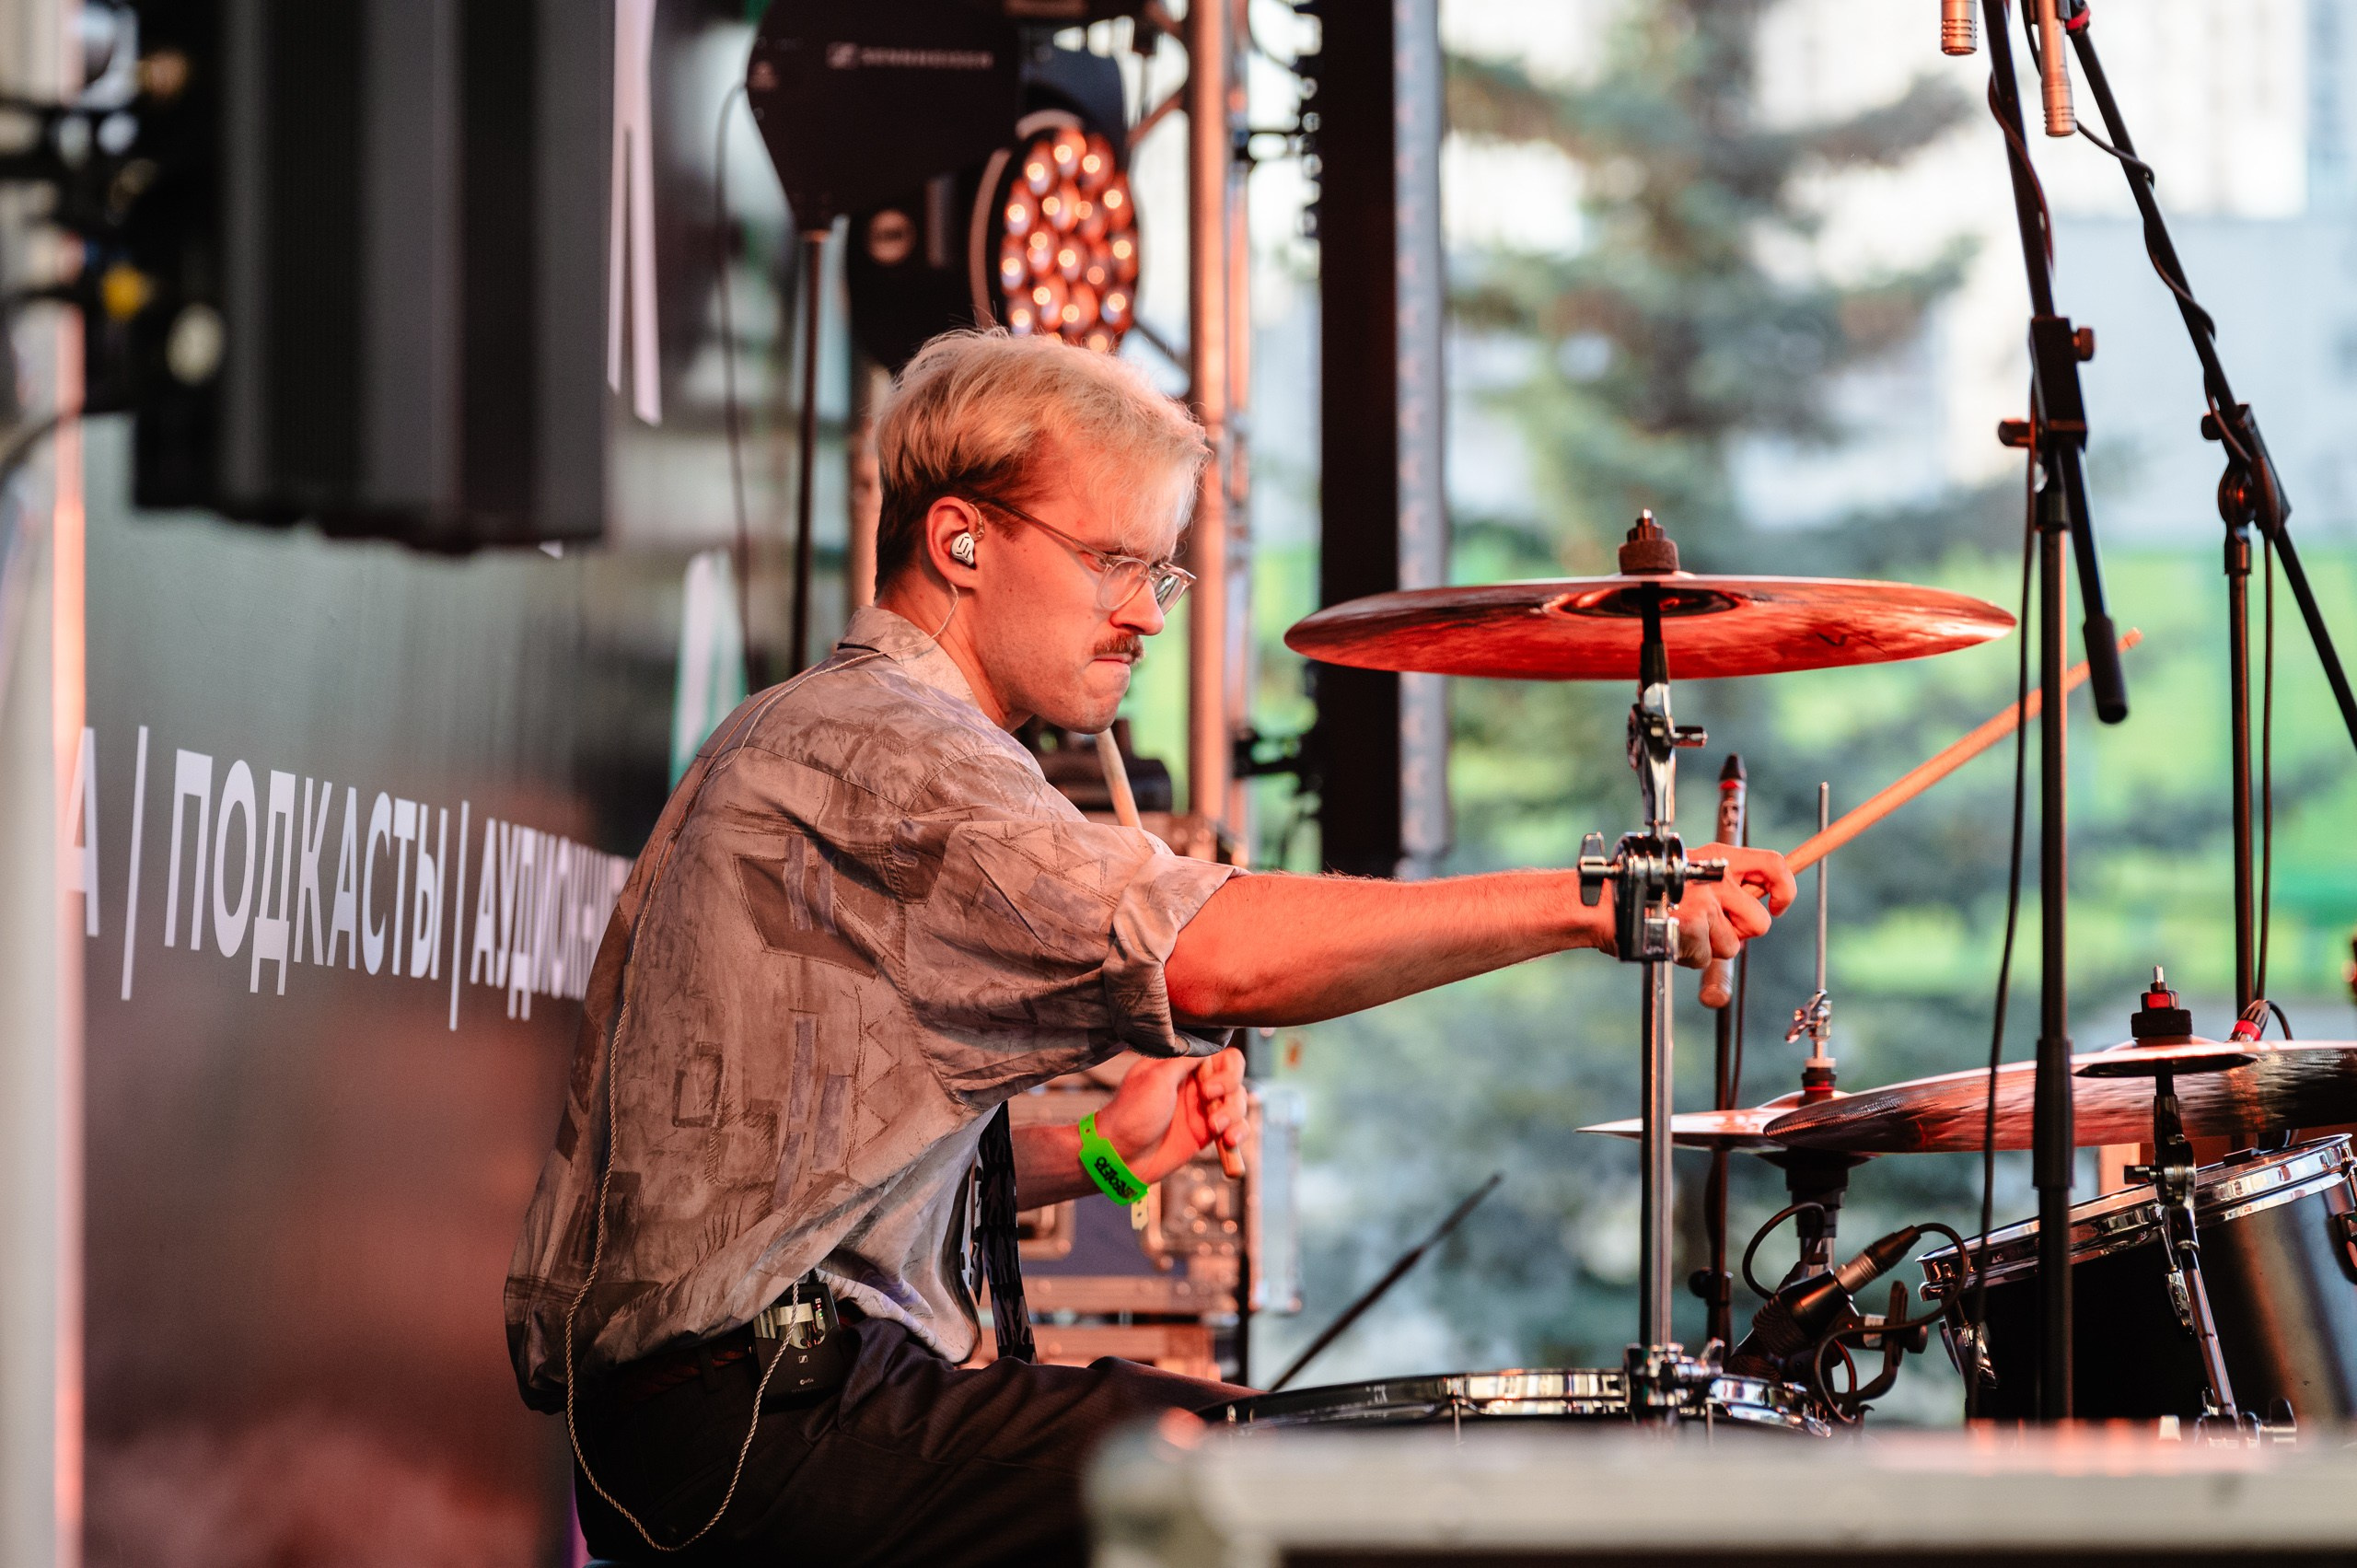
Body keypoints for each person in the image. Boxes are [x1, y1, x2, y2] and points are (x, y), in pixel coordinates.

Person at [505, 329, 1794, 1567]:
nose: (1148, 616)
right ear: (960, 541)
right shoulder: (883, 751)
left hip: (740, 1418)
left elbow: (825, 1177)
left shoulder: (843, 735)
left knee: (1210, 1440)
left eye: (1163, 575)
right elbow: (1216, 957)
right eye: (1113, 561)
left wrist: (1116, 1162)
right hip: (753, 1427)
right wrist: (1603, 900)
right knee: (1232, 1479)